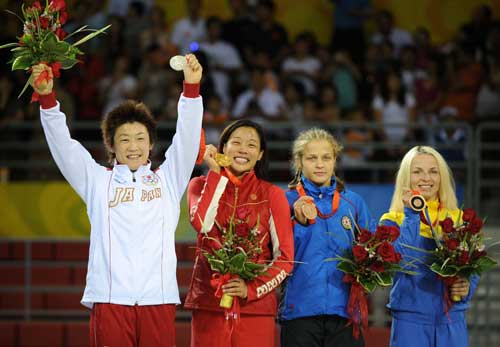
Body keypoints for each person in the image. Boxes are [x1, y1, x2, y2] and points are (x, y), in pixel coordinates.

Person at [31, 54, 203, 347]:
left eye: (140, 138)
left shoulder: (169, 179)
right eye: (124, 139)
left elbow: (186, 138)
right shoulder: (97, 181)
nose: (133, 146)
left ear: (151, 144)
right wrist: (48, 102)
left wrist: (191, 89)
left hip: (157, 299)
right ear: (111, 145)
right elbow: (65, 147)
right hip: (109, 298)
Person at [185, 119, 294, 347]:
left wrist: (251, 289)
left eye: (252, 145)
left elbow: (285, 259)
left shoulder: (272, 195)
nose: (243, 149)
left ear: (260, 154)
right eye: (236, 142)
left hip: (254, 309)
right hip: (209, 303)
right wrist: (215, 174)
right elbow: (202, 223)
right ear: (223, 148)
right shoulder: (199, 184)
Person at [280, 128, 375, 347]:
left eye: (326, 157)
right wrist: (298, 222)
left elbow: (371, 251)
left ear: (335, 160)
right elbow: (279, 254)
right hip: (299, 311)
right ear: (299, 161)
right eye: (312, 158)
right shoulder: (286, 201)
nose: (320, 164)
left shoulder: (353, 202)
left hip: (345, 312)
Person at [379, 145, 479, 347]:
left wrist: (467, 285)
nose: (426, 178)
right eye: (417, 172)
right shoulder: (391, 222)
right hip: (411, 323)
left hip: (452, 320)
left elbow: (473, 267)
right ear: (406, 178)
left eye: (433, 171)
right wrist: (411, 215)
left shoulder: (458, 219)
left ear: (441, 177)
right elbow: (402, 259)